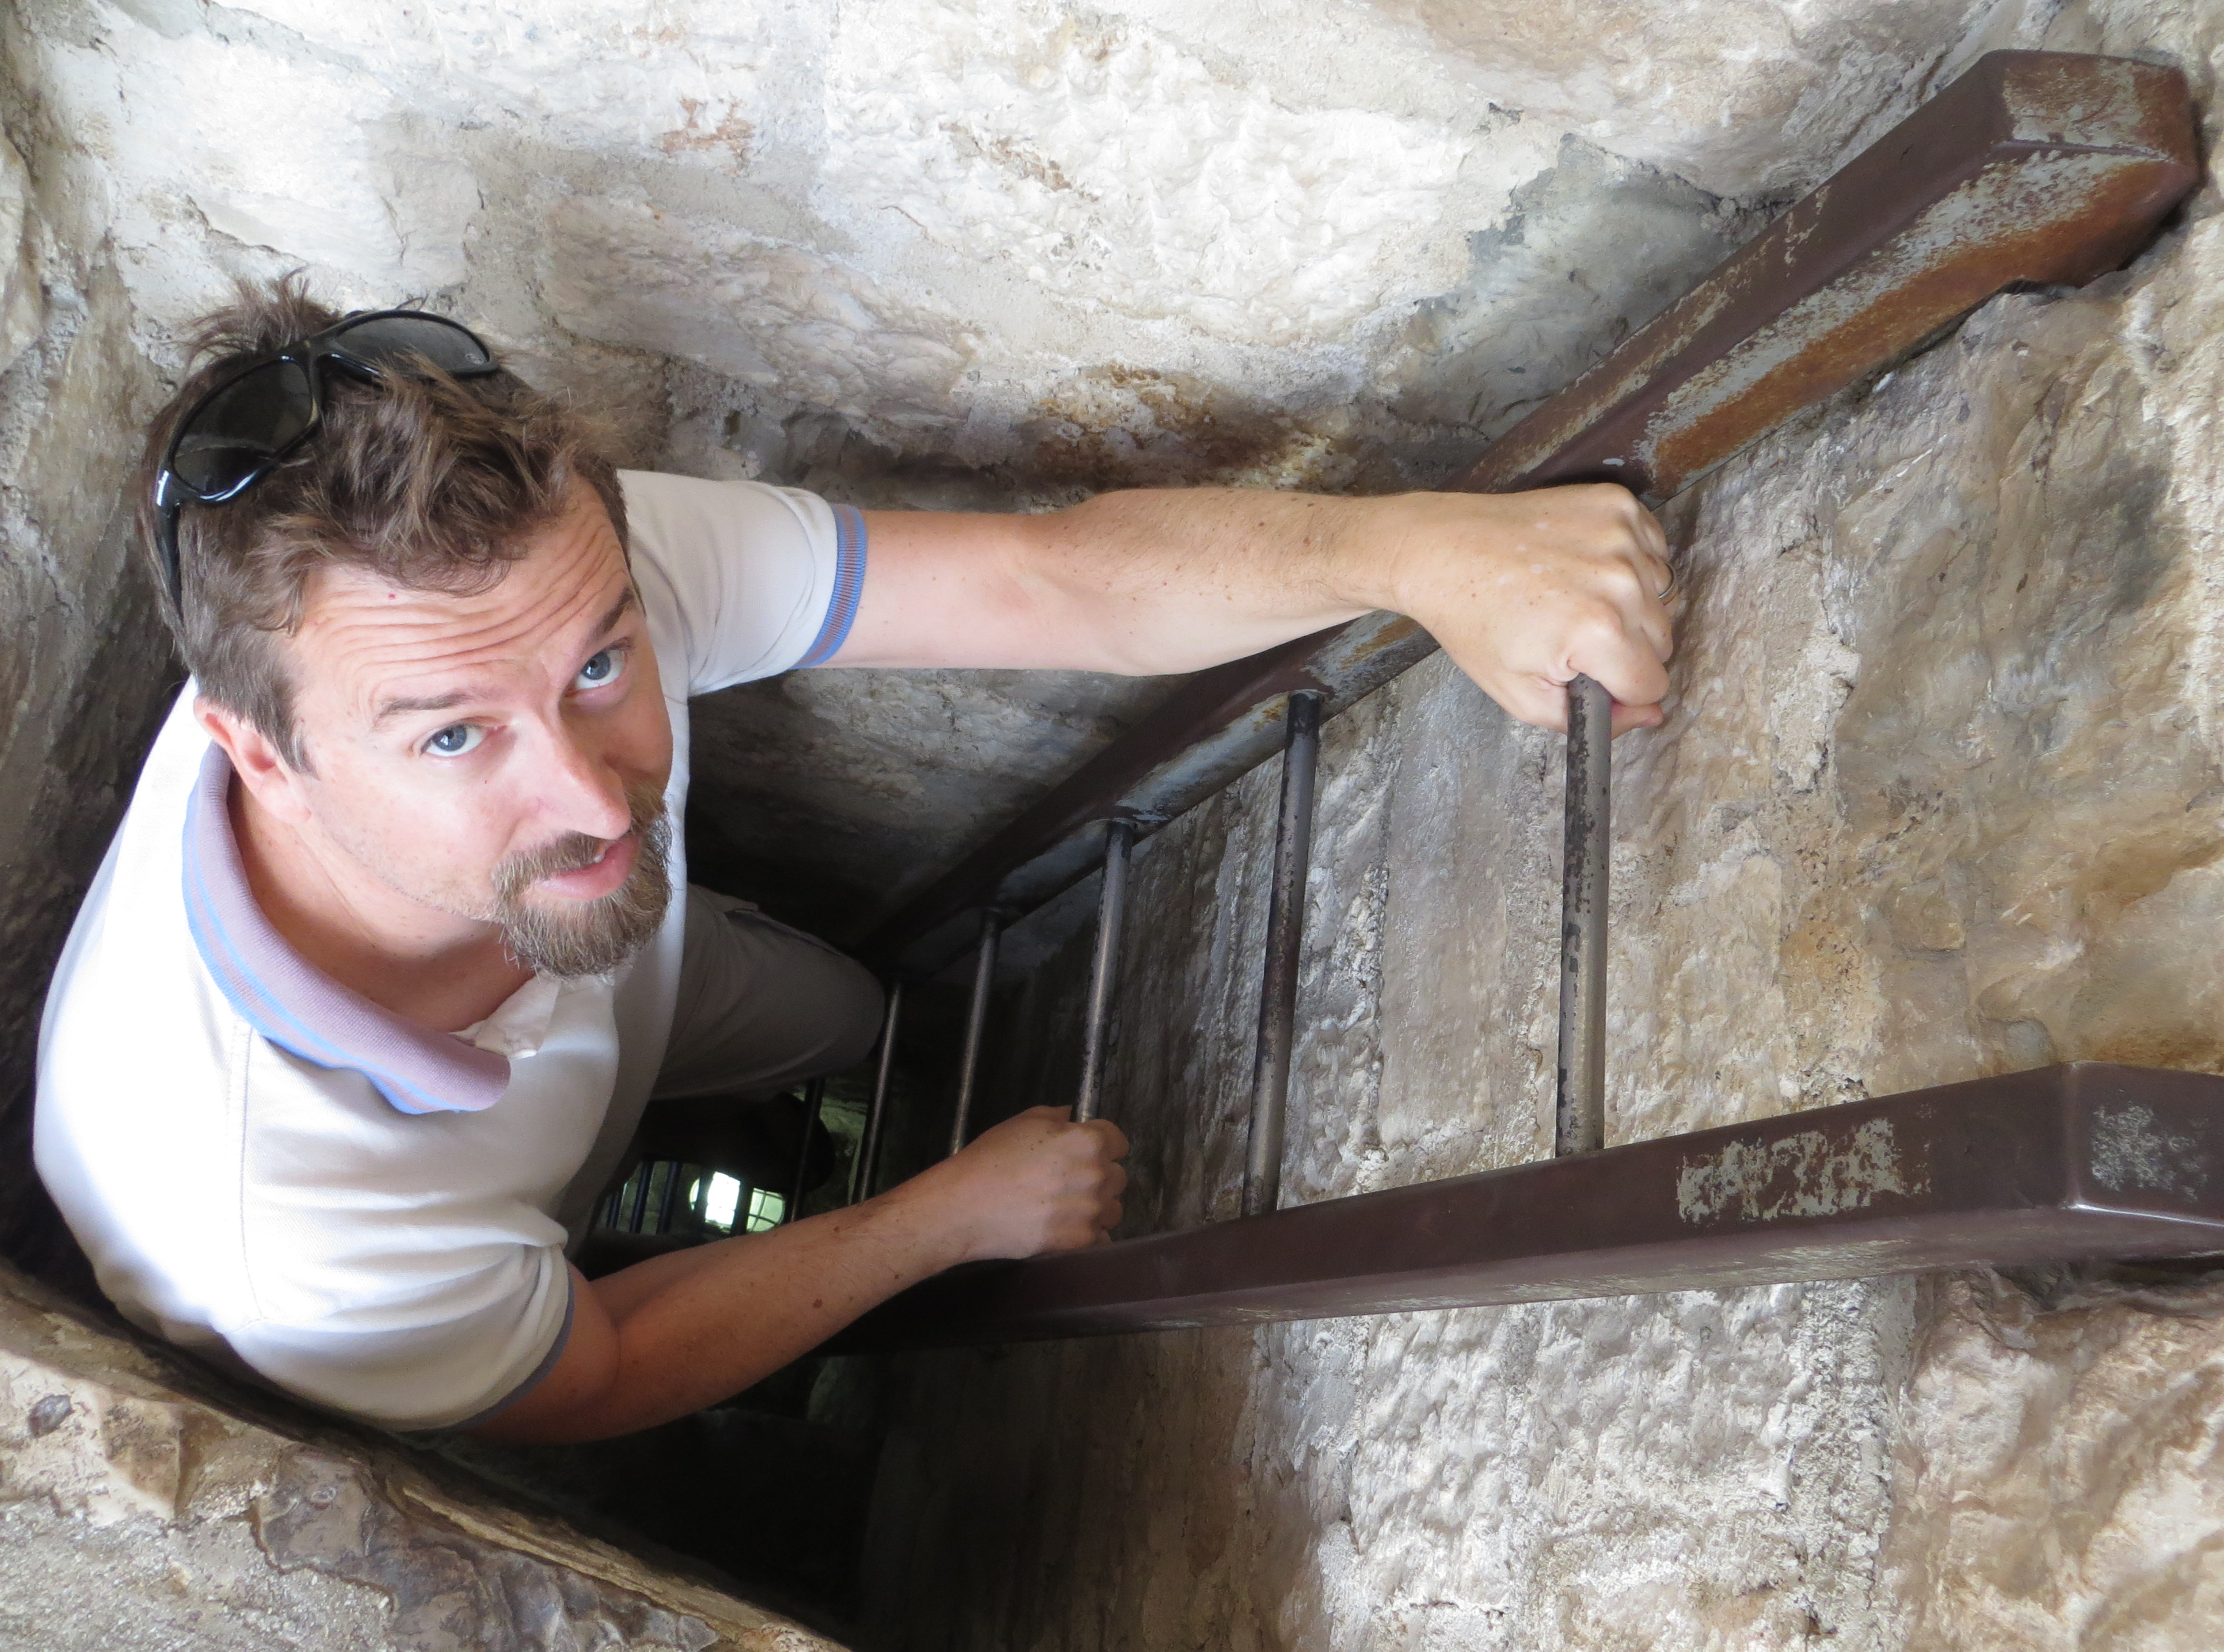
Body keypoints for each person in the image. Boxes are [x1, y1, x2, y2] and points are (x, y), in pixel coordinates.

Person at [33, 283, 1675, 1445]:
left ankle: (827, 1063)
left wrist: (1418, 548)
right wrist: (940, 1220)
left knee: (848, 1020)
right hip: (483, 1175)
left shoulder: (534, 577)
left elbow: (1045, 584)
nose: (595, 794)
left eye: (603, 666)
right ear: (261, 751)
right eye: (456, 738)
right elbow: (600, 1364)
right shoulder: (281, 1235)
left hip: (633, 978)